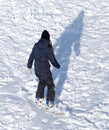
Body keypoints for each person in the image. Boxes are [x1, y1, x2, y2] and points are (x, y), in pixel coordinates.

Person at [27, 30, 60, 108]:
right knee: (50, 85)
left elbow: (31, 56)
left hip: (37, 70)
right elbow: (52, 60)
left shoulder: (36, 45)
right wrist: (57, 66)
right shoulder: (48, 47)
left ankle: (39, 98)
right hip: (45, 71)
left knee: (42, 82)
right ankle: (49, 102)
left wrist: (29, 66)